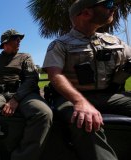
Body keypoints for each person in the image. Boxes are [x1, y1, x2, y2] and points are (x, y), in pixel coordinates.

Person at [42, 0, 131, 159]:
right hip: (71, 98)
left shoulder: (115, 41)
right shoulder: (60, 44)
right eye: (108, 4)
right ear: (86, 13)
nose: (114, 8)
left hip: (108, 96)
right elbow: (55, 75)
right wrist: (79, 102)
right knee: (85, 121)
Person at [0, 29, 52, 160]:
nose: (19, 41)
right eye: (16, 39)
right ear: (5, 43)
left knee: (44, 113)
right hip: (0, 94)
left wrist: (15, 99)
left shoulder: (25, 57)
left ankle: (21, 157)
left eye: (20, 39)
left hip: (22, 94)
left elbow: (31, 79)